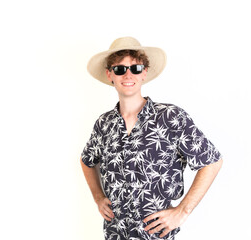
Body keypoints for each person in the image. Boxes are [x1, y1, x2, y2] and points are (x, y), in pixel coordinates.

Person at [80, 36, 223, 240]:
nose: (128, 74)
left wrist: (182, 211)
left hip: (155, 235)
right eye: (120, 69)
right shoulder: (104, 124)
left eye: (135, 68)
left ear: (144, 72)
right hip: (115, 233)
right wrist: (98, 197)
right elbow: (87, 161)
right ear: (110, 74)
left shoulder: (170, 117)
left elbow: (212, 161)